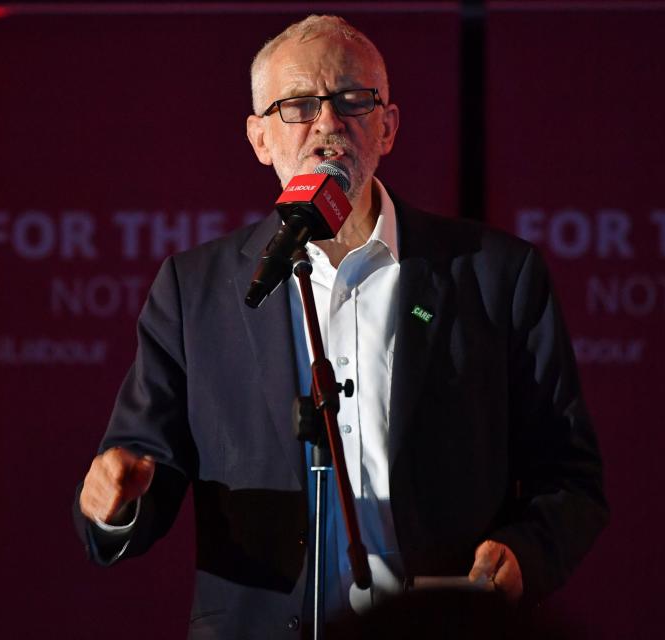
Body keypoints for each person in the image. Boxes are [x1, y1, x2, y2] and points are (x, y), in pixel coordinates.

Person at [74, 14, 608, 639]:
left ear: (388, 127)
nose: (328, 122)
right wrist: (116, 500)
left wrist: (522, 558)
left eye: (353, 99)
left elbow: (569, 480)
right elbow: (141, 471)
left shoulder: (495, 276)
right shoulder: (194, 292)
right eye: (298, 105)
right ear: (260, 139)